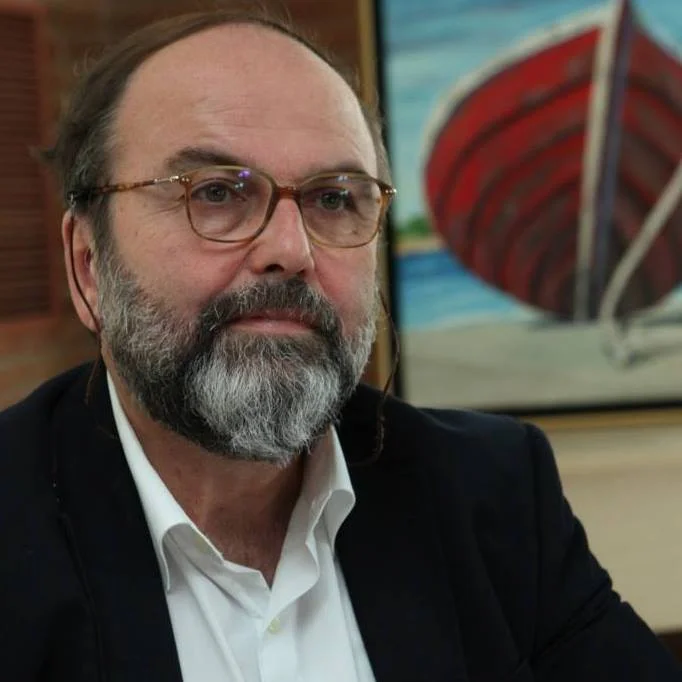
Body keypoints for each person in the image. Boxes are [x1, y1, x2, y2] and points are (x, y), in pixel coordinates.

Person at [0, 6, 680, 682]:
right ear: (89, 266)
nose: (291, 250)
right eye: (215, 193)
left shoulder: (491, 498)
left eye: (334, 199)